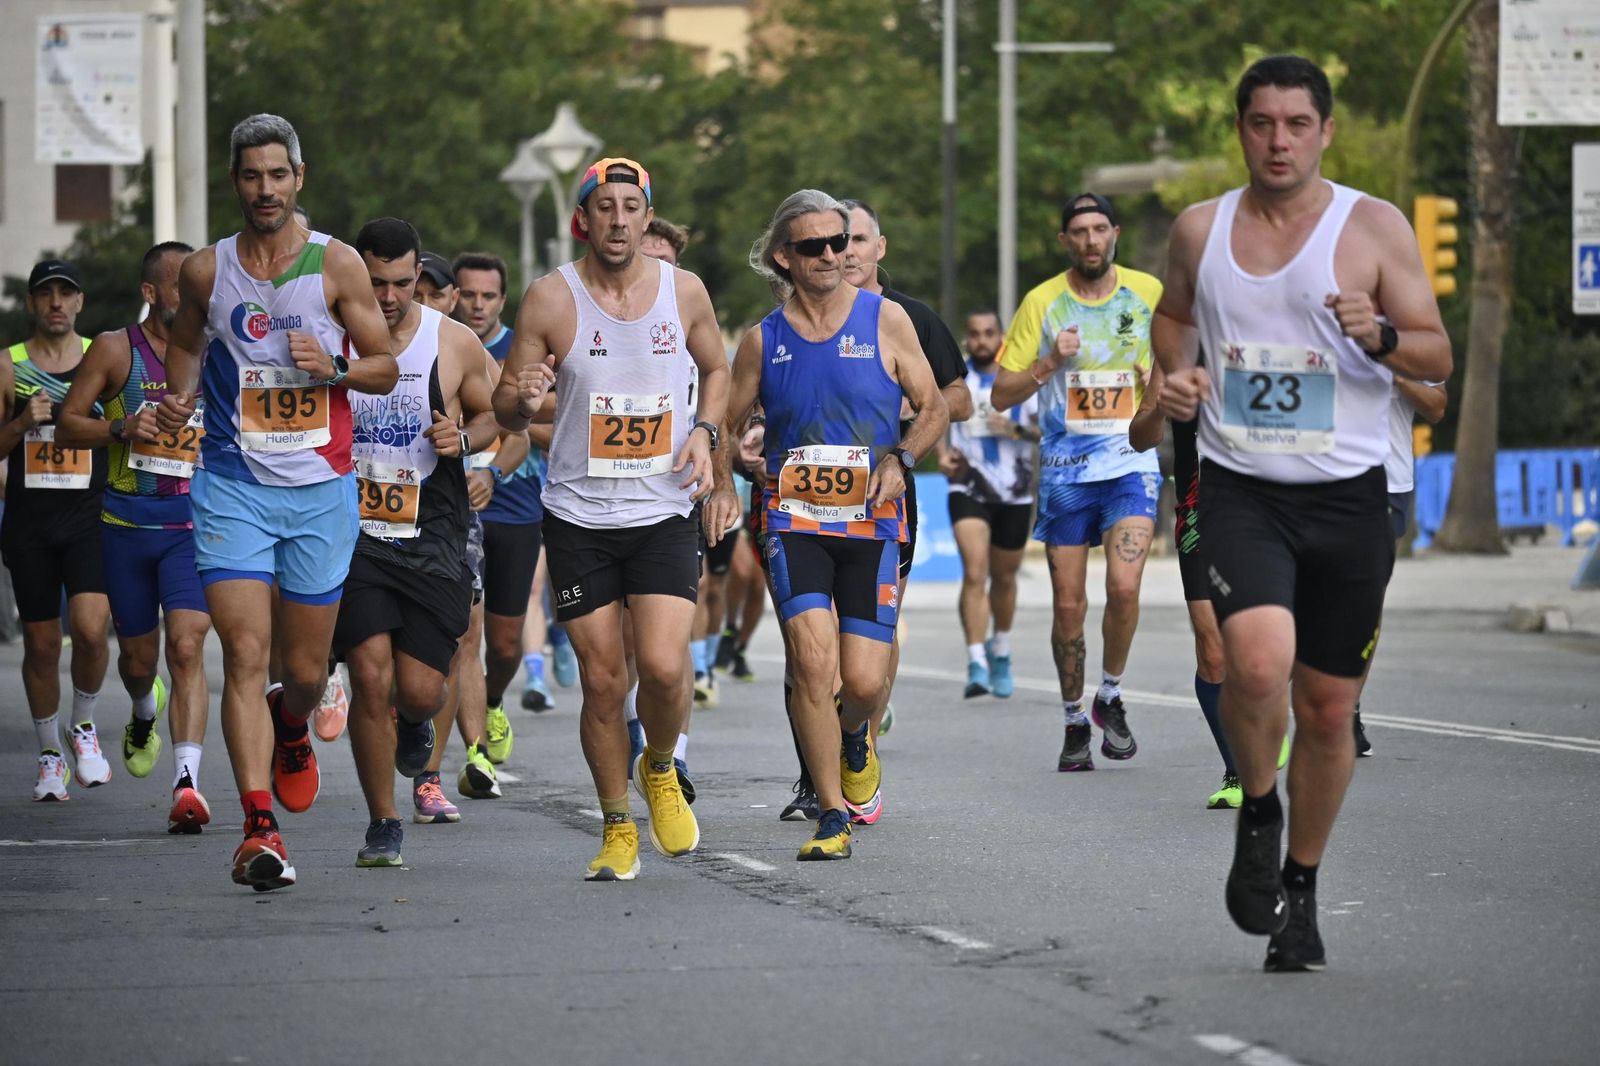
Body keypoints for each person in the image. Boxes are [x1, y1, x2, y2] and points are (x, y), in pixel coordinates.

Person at [1154, 55, 1452, 971]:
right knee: (1256, 663)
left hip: (1350, 497)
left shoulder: (1373, 228)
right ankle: (1258, 803)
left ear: (1324, 130)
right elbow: (1172, 325)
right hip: (1243, 490)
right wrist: (1174, 382)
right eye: (1260, 123)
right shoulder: (1201, 231)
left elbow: (1438, 372)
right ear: (1239, 129)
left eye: (1295, 124)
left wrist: (1384, 335)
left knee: (1326, 710)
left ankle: (1303, 888)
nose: (1277, 140)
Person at [154, 114, 399, 891]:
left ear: (299, 179)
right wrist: (180, 398)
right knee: (242, 653)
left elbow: (387, 369)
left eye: (278, 175)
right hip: (232, 487)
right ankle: (259, 829)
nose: (265, 189)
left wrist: (333, 367)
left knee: (299, 670)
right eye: (252, 176)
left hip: (321, 494)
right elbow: (188, 341)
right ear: (236, 181)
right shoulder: (205, 270)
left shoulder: (339, 265)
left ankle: (291, 718)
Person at [495, 156, 727, 881]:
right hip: (579, 516)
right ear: (583, 219)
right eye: (607, 206)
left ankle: (658, 764)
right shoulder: (548, 299)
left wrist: (706, 433)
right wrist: (523, 399)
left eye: (633, 206)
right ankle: (616, 823)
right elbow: (504, 407)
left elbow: (717, 370)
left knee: (661, 666)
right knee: (602, 680)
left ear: (646, 217)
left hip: (661, 509)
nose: (620, 219)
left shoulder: (683, 291)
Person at [707, 188, 948, 860]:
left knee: (865, 683)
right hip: (795, 521)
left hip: (872, 522)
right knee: (814, 664)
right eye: (814, 246)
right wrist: (734, 473)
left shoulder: (886, 319)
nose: (832, 256)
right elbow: (724, 424)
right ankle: (832, 815)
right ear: (785, 256)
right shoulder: (762, 340)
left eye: (840, 243)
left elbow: (933, 408)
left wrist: (903, 457)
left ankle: (852, 740)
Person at [334, 218, 498, 867]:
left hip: (432, 530)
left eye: (403, 282)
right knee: (369, 675)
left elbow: (488, 416)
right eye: (376, 282)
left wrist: (467, 438)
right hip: (355, 532)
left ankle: (416, 722)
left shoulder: (451, 341)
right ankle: (382, 822)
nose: (391, 295)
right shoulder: (333, 337)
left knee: (421, 688)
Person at [990, 192, 1166, 772]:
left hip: (1130, 464)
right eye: (1079, 232)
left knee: (1123, 588)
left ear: (1114, 232)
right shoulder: (1043, 303)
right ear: (1065, 240)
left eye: (1100, 229)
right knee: (1068, 604)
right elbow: (1002, 392)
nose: (1092, 240)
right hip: (1066, 473)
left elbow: (1185, 363)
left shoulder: (1148, 294)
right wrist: (1049, 363)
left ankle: (1109, 693)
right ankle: (1072, 720)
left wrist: (1156, 377)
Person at [56, 242, 213, 831]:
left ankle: (187, 785)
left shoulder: (216, 348)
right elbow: (70, 421)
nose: (195, 296)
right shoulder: (115, 349)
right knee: (139, 660)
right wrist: (120, 425)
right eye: (181, 286)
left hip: (192, 530)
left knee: (188, 648)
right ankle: (144, 712)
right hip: (124, 528)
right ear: (152, 293)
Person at [1, 259, 113, 800]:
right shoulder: (8, 365)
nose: (56, 303)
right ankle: (50, 755)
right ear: (32, 304)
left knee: (92, 630)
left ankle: (83, 725)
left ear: (79, 303)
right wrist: (23, 422)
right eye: (45, 294)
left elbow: (120, 429)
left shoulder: (99, 358)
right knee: (42, 645)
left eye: (66, 293)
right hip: (29, 522)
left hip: (89, 517)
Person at [454, 252, 546, 728]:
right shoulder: (442, 345)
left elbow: (558, 421)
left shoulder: (524, 349)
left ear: (503, 301)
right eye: (468, 294)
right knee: (464, 635)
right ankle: (473, 749)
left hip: (516, 505)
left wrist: (513, 428)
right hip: (453, 508)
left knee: (506, 644)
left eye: (488, 296)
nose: (477, 305)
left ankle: (491, 701)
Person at [938, 309, 1039, 699]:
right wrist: (943, 453)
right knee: (975, 573)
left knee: (1005, 578)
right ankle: (976, 660)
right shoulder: (956, 379)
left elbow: (1044, 430)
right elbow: (937, 419)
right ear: (967, 338)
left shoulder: (1019, 378)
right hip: (968, 486)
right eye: (975, 334)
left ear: (1002, 336)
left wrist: (1012, 428)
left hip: (1015, 491)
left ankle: (1002, 650)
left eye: (988, 333)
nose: (981, 340)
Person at [1352, 376, 1448, 755]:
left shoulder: (1408, 327)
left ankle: (1346, 711)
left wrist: (1396, 370)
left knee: (1364, 601)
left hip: (1386, 483)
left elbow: (1437, 407)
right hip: (1313, 475)